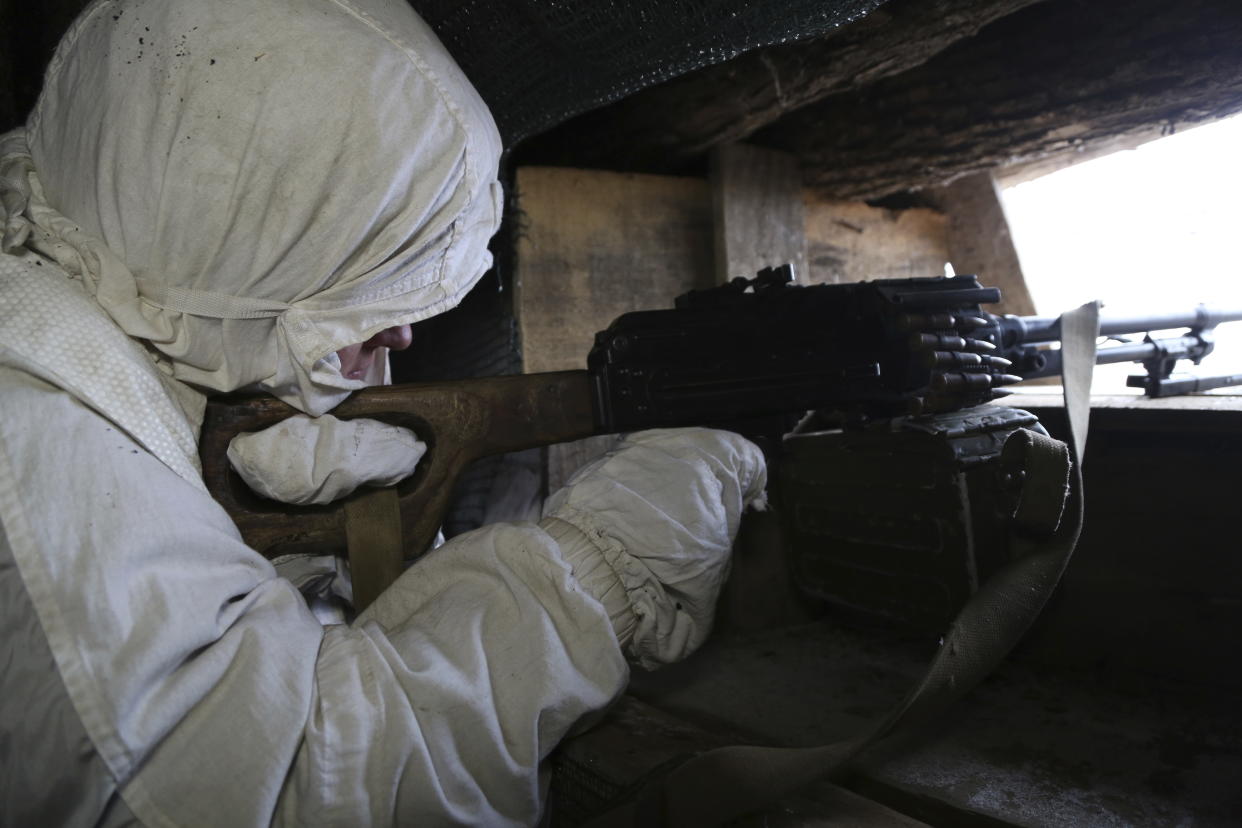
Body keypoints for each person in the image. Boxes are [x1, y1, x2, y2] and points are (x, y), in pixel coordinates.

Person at [0, 0, 767, 825]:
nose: (405, 329)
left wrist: (297, 565)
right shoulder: (36, 454)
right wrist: (598, 571)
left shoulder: (92, 310)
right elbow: (315, 797)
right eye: (364, 269)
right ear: (225, 226)